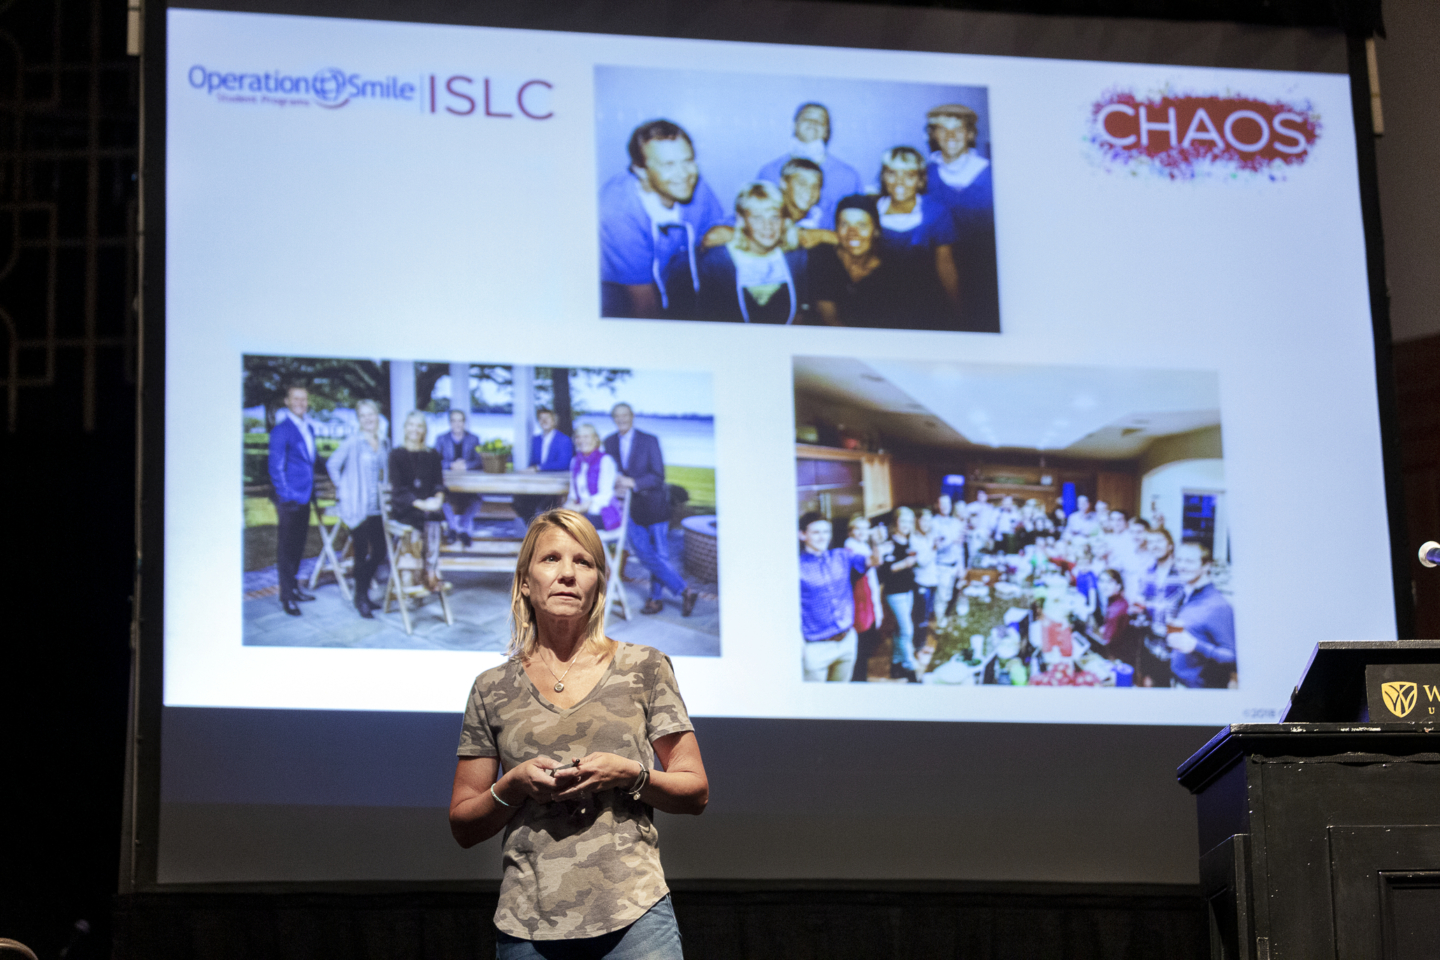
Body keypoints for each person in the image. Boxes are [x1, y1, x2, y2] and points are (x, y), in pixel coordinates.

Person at [450, 509, 708, 958]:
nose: (567, 573)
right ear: (526, 582)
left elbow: (695, 790)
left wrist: (632, 775)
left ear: (599, 584)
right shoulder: (492, 687)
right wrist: (514, 785)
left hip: (636, 917)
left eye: (584, 562)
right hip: (528, 922)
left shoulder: (645, 667)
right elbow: (464, 824)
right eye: (551, 559)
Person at [599, 119, 726, 319]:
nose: (684, 174)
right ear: (641, 171)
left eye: (688, 161)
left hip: (672, 277)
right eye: (669, 164)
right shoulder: (617, 211)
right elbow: (644, 305)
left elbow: (718, 233)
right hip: (622, 290)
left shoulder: (693, 186)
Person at [603, 403, 698, 616]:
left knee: (661, 555)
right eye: (617, 416)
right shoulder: (609, 442)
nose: (622, 419)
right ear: (613, 419)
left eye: (625, 415)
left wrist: (632, 482)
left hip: (654, 505)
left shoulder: (649, 440)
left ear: (632, 416)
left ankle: (655, 599)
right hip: (629, 508)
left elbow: (658, 476)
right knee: (644, 553)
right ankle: (685, 589)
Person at [922, 103, 999, 331]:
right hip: (937, 273)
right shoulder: (924, 175)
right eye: (943, 129)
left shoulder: (991, 173)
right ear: (934, 135)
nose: (951, 135)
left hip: (985, 273)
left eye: (958, 129)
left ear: (970, 134)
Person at [690, 181, 809, 324]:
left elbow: (800, 315)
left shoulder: (795, 258)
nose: (768, 226)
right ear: (742, 219)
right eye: (757, 218)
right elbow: (707, 319)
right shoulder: (718, 261)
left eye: (775, 217)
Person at [874, 146, 960, 325]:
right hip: (880, 302)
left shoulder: (936, 213)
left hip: (925, 304)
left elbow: (946, 265)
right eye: (892, 173)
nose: (900, 182)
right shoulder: (871, 212)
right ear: (883, 177)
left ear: (920, 181)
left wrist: (958, 311)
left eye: (909, 175)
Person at [324, 399, 389, 619]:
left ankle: (361, 593)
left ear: (377, 416)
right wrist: (345, 489)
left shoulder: (384, 442)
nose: (368, 419)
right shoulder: (353, 442)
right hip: (357, 507)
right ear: (358, 419)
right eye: (363, 415)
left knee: (380, 551)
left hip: (377, 508)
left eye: (371, 414)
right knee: (360, 553)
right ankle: (361, 597)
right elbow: (332, 464)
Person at [756, 102, 862, 232]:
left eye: (820, 121)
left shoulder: (847, 176)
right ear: (795, 125)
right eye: (807, 118)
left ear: (827, 131)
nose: (813, 123)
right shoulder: (769, 172)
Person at [798, 512, 878, 682]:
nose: (822, 537)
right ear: (802, 535)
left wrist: (876, 542)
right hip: (816, 647)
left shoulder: (842, 556)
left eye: (826, 532)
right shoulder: (796, 566)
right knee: (816, 703)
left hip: (846, 641)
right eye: (816, 532)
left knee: (840, 697)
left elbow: (873, 561)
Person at [810, 195, 905, 328]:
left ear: (876, 231)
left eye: (862, 225)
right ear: (836, 229)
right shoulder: (823, 258)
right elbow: (829, 319)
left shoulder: (892, 272)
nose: (852, 233)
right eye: (844, 224)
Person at [267, 384, 317, 617]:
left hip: (305, 498)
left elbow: (309, 461)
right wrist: (286, 496)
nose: (300, 403)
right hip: (290, 500)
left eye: (304, 399)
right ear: (287, 401)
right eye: (295, 399)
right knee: (286, 549)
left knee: (298, 547)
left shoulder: (309, 428)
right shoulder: (281, 430)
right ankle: (286, 597)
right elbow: (276, 468)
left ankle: (294, 589)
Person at [1165, 543, 1237, 688]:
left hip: (1200, 690)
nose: (1182, 566)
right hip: (1179, 682)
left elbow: (1231, 656)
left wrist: (1196, 645)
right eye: (1179, 560)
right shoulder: (1185, 594)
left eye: (1189, 561)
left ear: (1206, 566)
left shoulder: (1217, 605)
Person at [389, 411, 446, 584]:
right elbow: (398, 489)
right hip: (407, 507)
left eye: (419, 426)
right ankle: (414, 575)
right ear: (405, 428)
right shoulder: (396, 455)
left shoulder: (432, 454)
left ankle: (430, 571)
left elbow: (438, 483)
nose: (415, 429)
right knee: (417, 523)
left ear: (424, 430)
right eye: (411, 425)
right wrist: (421, 504)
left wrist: (438, 499)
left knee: (434, 518)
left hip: (429, 508)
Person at [878, 506, 922, 683]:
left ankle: (896, 666)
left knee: (899, 630)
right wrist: (904, 564)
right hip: (894, 593)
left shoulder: (910, 542)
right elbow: (884, 572)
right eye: (903, 521)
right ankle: (911, 667)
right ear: (895, 522)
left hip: (908, 591)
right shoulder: (888, 543)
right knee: (907, 629)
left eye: (910, 521)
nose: (906, 525)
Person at [515, 407, 575, 522]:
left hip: (556, 486)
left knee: (540, 509)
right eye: (541, 419)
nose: (544, 421)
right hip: (537, 484)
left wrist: (538, 468)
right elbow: (532, 462)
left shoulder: (564, 440)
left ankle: (539, 533)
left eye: (547, 418)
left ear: (554, 421)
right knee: (518, 501)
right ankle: (534, 531)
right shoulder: (535, 440)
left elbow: (564, 464)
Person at [845, 514, 886, 681]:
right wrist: (877, 542)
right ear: (850, 531)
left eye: (865, 528)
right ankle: (859, 680)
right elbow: (877, 561)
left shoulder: (860, 545)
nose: (862, 532)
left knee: (864, 644)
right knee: (861, 645)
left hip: (866, 597)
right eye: (857, 528)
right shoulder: (851, 548)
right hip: (860, 601)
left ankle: (860, 678)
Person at [435, 410, 482, 547]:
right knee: (442, 498)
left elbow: (479, 461)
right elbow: (435, 461)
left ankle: (463, 525)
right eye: (454, 420)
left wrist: (466, 465)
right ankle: (454, 528)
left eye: (460, 420)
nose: (457, 424)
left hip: (468, 484)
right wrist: (451, 465)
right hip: (447, 483)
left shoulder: (473, 439)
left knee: (477, 499)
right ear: (450, 423)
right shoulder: (441, 439)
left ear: (464, 422)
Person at [564, 423, 623, 532]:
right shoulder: (575, 462)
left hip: (601, 513)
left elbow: (605, 496)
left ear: (595, 439)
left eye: (586, 437)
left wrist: (581, 508)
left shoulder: (606, 461)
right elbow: (573, 493)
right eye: (578, 437)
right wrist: (570, 504)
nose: (582, 441)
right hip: (582, 512)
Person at [931, 494, 965, 626]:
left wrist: (961, 566)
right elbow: (936, 547)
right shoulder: (933, 523)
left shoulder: (956, 523)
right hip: (941, 566)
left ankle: (945, 619)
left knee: (950, 595)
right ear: (937, 506)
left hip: (954, 566)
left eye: (947, 504)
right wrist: (951, 541)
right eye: (942, 504)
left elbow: (959, 547)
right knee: (941, 597)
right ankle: (939, 623)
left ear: (951, 506)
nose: (945, 507)